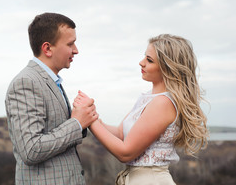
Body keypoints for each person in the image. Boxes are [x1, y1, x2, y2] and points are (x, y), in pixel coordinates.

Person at [73, 34, 209, 185]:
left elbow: (126, 153)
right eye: (144, 57)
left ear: (167, 68)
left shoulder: (163, 103)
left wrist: (90, 121)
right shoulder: (147, 98)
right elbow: (120, 134)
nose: (141, 63)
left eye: (149, 60)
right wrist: (91, 114)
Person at [5, 12, 98, 185]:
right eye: (70, 44)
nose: (76, 50)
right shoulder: (26, 82)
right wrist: (76, 123)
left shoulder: (51, 81)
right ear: (47, 48)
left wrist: (82, 118)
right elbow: (31, 149)